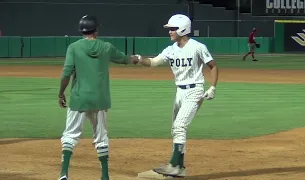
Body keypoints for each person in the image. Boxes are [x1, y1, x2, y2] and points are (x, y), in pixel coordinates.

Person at [134, 14, 219, 178]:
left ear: (182, 29)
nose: (170, 32)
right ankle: (179, 168)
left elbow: (213, 66)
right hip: (179, 91)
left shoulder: (197, 47)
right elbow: (154, 62)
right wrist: (139, 59)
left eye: (172, 29)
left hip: (195, 90)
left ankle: (173, 165)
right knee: (176, 128)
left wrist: (213, 87)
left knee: (180, 126)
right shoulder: (170, 49)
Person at [57, 15, 139, 180]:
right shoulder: (106, 47)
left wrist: (61, 93)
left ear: (81, 30)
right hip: (100, 100)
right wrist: (136, 59)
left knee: (70, 136)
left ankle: (64, 174)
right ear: (97, 29)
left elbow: (67, 73)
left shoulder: (74, 47)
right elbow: (124, 59)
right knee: (101, 138)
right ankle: (105, 176)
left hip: (79, 99)